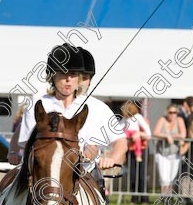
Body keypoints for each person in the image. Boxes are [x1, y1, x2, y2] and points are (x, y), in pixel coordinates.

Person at [18, 43, 128, 182]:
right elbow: (28, 144)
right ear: (52, 76)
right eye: (63, 73)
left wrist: (111, 158)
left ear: (79, 78)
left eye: (73, 74)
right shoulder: (37, 103)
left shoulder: (96, 107)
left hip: (84, 176)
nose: (68, 79)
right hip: (41, 176)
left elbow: (119, 143)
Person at [121, 100, 151, 203]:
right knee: (133, 175)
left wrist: (138, 134)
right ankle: (134, 198)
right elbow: (119, 130)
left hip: (142, 150)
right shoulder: (125, 119)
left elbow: (148, 133)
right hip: (131, 149)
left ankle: (144, 198)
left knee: (142, 175)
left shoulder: (138, 117)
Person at [153, 104, 186, 196]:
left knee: (172, 176)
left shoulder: (179, 120)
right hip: (162, 152)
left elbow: (183, 134)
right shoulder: (162, 120)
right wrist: (166, 136)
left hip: (175, 153)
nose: (172, 115)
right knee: (164, 176)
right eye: (170, 112)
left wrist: (171, 136)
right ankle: (164, 196)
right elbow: (155, 132)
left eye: (175, 112)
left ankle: (169, 196)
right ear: (167, 113)